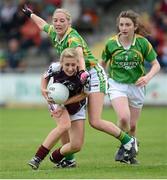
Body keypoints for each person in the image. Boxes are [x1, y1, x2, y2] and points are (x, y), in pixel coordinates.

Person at [22, 6, 138, 165]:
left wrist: (83, 72)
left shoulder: (72, 38)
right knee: (64, 118)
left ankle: (128, 141)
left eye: (62, 21)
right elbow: (42, 25)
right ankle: (68, 159)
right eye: (55, 20)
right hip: (74, 73)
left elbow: (79, 55)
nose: (58, 23)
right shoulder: (55, 33)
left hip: (93, 74)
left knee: (95, 121)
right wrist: (31, 14)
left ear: (69, 23)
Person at [101, 10, 161, 164]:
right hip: (116, 85)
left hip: (137, 86)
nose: (124, 27)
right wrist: (103, 79)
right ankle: (125, 146)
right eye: (121, 24)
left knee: (132, 126)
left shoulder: (142, 43)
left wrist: (147, 77)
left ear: (135, 27)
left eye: (128, 24)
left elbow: (156, 65)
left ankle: (128, 154)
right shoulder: (111, 43)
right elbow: (102, 63)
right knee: (123, 117)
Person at [28, 48, 88, 170]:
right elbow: (45, 77)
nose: (70, 68)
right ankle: (37, 158)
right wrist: (43, 91)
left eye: (73, 64)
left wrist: (66, 102)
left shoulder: (84, 76)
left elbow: (84, 94)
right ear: (61, 63)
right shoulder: (55, 67)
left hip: (77, 105)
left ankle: (57, 157)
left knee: (76, 145)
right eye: (67, 65)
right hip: (56, 101)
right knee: (64, 126)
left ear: (77, 63)